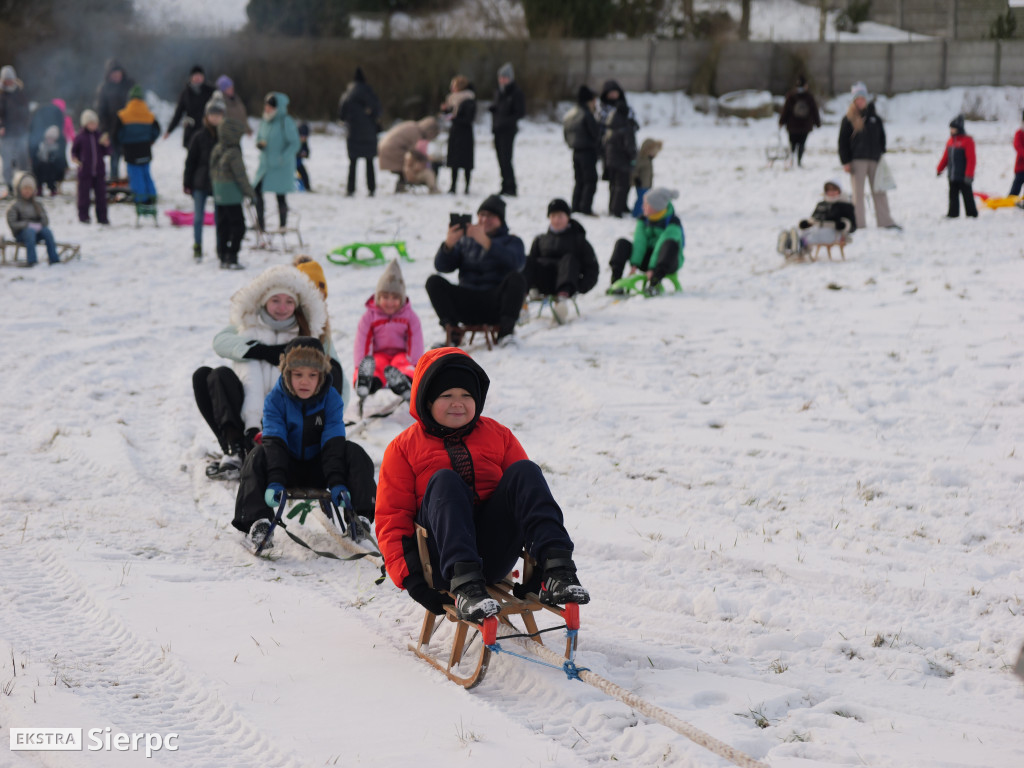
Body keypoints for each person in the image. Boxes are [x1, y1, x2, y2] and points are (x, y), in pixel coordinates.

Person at [375, 347, 590, 622]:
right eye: (446, 395)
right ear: (427, 401)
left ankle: (557, 569)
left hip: (494, 554)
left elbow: (529, 498)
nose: (458, 403)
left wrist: (536, 567)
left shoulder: (498, 436)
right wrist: (414, 583)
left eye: (467, 395)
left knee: (525, 471)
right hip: (442, 562)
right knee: (445, 481)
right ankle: (466, 584)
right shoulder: (403, 448)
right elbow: (392, 519)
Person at [193, 264, 344, 478]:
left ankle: (294, 451)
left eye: (289, 301)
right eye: (275, 300)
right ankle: (235, 447)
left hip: (288, 417)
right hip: (246, 408)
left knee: (329, 370)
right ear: (264, 300)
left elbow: (334, 370)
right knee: (210, 376)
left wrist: (335, 415)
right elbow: (220, 342)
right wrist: (261, 351)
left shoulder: (307, 331)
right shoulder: (248, 323)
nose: (282, 307)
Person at [234, 337, 377, 551]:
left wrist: (337, 481)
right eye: (298, 374)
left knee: (355, 452)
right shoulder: (275, 399)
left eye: (312, 375)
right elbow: (275, 441)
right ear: (287, 373)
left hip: (321, 467)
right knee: (257, 455)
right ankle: (258, 523)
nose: (304, 381)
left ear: (321, 375)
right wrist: (275, 479)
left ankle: (359, 518)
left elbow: (333, 441)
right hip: (286, 465)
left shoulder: (331, 399)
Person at [425, 195, 527, 347]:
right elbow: (442, 267)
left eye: (491, 216)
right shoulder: (465, 241)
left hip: (495, 302)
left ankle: (506, 333)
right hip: (467, 300)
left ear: (501, 220)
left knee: (516, 279)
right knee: (433, 281)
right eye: (482, 215)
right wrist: (448, 245)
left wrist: (487, 243)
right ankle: (453, 334)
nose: (485, 220)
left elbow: (517, 263)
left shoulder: (512, 241)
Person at [354, 258, 424, 402]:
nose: (390, 302)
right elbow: (362, 341)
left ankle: (404, 383)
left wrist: (414, 362)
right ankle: (367, 382)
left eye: (395, 298)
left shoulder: (410, 317)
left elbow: (416, 341)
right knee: (376, 365)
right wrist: (361, 362)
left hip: (402, 354)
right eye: (385, 297)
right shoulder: (369, 317)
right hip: (379, 354)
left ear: (402, 298)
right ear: (378, 297)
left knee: (403, 366)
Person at [524, 198, 599, 321]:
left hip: (566, 283)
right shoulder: (540, 240)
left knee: (569, 259)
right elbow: (530, 264)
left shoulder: (578, 240)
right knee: (527, 260)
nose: (556, 220)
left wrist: (580, 287)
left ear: (567, 217)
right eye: (553, 216)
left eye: (560, 216)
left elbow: (592, 268)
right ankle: (522, 303)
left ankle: (561, 303)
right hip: (543, 281)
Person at [838, 81, 899, 230]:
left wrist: (881, 152)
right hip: (857, 161)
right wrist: (846, 161)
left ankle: (885, 221)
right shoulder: (848, 119)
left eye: (862, 98)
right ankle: (858, 223)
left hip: (875, 159)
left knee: (879, 190)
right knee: (858, 194)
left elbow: (882, 137)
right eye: (857, 99)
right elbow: (842, 142)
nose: (860, 101)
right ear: (854, 100)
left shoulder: (875, 118)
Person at [608, 187, 684, 296]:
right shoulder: (643, 220)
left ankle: (654, 283)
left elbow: (660, 245)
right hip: (648, 259)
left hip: (668, 262)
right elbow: (640, 242)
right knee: (622, 243)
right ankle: (616, 280)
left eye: (646, 204)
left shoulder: (673, 222)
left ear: (656, 207)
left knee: (670, 244)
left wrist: (653, 269)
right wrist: (635, 264)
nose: (642, 207)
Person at [209, 114, 255, 269]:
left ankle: (222, 255)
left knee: (223, 225)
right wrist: (250, 193)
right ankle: (232, 256)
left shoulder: (217, 149)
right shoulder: (234, 153)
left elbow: (212, 170)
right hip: (231, 195)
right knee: (239, 226)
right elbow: (241, 176)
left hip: (219, 193)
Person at [184, 96, 225, 261]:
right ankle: (197, 246)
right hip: (200, 181)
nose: (215, 118)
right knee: (198, 218)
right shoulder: (198, 136)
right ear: (206, 116)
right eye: (212, 115)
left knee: (220, 218)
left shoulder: (225, 136)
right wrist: (187, 182)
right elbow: (190, 162)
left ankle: (220, 247)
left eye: (218, 115)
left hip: (219, 182)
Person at [253, 92, 300, 233]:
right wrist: (259, 144)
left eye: (271, 106)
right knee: (256, 190)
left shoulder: (286, 121)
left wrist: (282, 158)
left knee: (280, 196)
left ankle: (283, 226)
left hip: (281, 166)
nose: (267, 109)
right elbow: (259, 137)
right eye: (266, 105)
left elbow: (295, 143)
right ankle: (260, 224)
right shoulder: (265, 121)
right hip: (265, 165)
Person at [777, 177, 856, 259]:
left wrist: (843, 225)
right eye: (829, 190)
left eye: (834, 190)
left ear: (839, 191)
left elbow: (852, 226)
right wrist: (806, 223)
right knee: (804, 232)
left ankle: (797, 245)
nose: (831, 192)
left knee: (815, 235)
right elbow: (813, 218)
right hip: (817, 228)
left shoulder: (845, 205)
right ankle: (789, 242)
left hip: (834, 233)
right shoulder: (821, 204)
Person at [337, 67, 380, 197]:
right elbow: (378, 111)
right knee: (370, 163)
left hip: (353, 133)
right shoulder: (370, 93)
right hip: (369, 134)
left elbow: (341, 115)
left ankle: (350, 189)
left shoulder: (347, 95)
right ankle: (371, 189)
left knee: (353, 163)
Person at [115, 84, 160, 205]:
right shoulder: (149, 115)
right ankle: (152, 196)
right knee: (146, 174)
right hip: (145, 149)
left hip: (130, 150)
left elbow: (117, 133)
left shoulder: (123, 115)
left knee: (135, 176)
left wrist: (123, 141)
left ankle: (140, 199)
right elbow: (157, 130)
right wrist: (150, 140)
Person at [6, 172, 60, 266]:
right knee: (30, 232)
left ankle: (54, 258)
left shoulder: (37, 205)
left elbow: (45, 219)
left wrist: (40, 225)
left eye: (30, 189)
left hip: (37, 232)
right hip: (21, 234)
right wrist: (27, 225)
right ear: (19, 189)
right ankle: (32, 260)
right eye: (25, 189)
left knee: (47, 231)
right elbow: (12, 223)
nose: (27, 191)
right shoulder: (15, 206)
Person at [562, 85, 601, 216]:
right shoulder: (587, 114)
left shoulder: (571, 114)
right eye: (594, 100)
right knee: (590, 180)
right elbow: (595, 133)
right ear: (589, 100)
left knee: (579, 180)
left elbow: (565, 134)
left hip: (575, 151)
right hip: (588, 151)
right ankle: (585, 208)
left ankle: (576, 206)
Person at [94, 59, 135, 182]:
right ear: (109, 75)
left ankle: (132, 181)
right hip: (112, 129)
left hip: (128, 128)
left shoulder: (130, 85)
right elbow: (101, 111)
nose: (116, 75)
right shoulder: (104, 88)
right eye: (113, 73)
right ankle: (114, 181)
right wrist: (104, 130)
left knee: (130, 157)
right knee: (114, 157)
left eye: (118, 72)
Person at [489, 62, 525, 197]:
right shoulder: (499, 92)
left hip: (508, 132)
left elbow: (520, 112)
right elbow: (498, 108)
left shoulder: (516, 93)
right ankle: (504, 185)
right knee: (500, 160)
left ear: (510, 78)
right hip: (497, 131)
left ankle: (511, 187)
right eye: (500, 77)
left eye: (504, 77)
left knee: (506, 159)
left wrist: (506, 121)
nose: (502, 80)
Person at [377, 117, 439, 193]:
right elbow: (415, 151)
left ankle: (401, 185)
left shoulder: (413, 126)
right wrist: (426, 158)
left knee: (406, 165)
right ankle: (402, 185)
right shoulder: (416, 133)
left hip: (385, 146)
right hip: (391, 149)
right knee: (407, 164)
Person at [71, 109, 109, 225]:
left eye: (95, 123)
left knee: (101, 197)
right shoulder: (80, 137)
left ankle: (102, 217)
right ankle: (84, 217)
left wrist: (106, 145)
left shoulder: (99, 136)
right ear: (85, 124)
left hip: (99, 171)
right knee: (84, 196)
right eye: (90, 123)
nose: (93, 126)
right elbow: (74, 151)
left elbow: (107, 151)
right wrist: (75, 158)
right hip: (85, 172)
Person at [937, 114, 977, 219]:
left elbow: (971, 160)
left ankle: (972, 214)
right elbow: (946, 157)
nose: (951, 130)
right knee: (952, 196)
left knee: (967, 196)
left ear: (959, 128)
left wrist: (969, 175)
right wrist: (939, 169)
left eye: (953, 128)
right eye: (950, 128)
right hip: (952, 175)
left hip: (964, 176)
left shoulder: (967, 141)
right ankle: (953, 213)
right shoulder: (950, 141)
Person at [602, 97, 638, 218]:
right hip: (622, 161)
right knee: (622, 186)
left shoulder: (610, 125)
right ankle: (617, 210)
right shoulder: (625, 126)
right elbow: (630, 146)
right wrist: (633, 158)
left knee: (613, 185)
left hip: (610, 161)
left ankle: (613, 207)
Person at [164, 65, 215, 149]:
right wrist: (169, 130)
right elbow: (178, 113)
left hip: (207, 130)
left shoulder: (211, 91)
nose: (198, 78)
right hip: (191, 131)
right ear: (191, 77)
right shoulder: (185, 93)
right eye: (195, 75)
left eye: (200, 75)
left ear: (203, 77)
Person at [441, 75, 476, 195]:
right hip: (455, 133)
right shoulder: (452, 99)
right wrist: (445, 111)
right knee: (454, 161)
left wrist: (453, 118)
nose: (451, 88)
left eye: (454, 85)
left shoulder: (469, 100)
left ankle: (467, 187)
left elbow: (468, 119)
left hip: (465, 134)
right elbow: (451, 113)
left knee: (466, 162)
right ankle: (453, 186)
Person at [0, 65, 31, 196]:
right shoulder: (1, 95)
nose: (9, 81)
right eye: (6, 79)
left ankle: (23, 186)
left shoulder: (20, 93)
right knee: (7, 162)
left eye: (10, 79)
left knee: (22, 160)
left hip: (21, 132)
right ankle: (10, 186)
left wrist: (26, 125)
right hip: (6, 134)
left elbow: (26, 112)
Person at [778, 75, 821, 168]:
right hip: (805, 126)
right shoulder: (809, 97)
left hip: (792, 126)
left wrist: (781, 122)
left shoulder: (791, 96)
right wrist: (818, 123)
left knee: (792, 143)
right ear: (805, 85)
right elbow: (814, 110)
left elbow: (785, 110)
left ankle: (792, 159)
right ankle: (798, 161)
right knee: (802, 144)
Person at [631, 138, 662, 218]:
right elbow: (635, 169)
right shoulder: (641, 158)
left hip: (647, 183)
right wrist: (636, 178)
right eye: (653, 152)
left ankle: (640, 212)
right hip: (641, 183)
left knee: (644, 199)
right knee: (641, 199)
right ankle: (637, 213)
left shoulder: (648, 159)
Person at [1010, 110, 1024, 197]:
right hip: (1021, 167)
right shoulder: (1019, 133)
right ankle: (1010, 200)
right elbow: (1017, 146)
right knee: (1015, 190)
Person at [296, 122, 311, 191]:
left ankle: (307, 188)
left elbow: (307, 152)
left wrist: (306, 154)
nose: (304, 138)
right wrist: (299, 153)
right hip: (288, 163)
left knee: (304, 175)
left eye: (305, 137)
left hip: (298, 163)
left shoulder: (304, 143)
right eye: (302, 136)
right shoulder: (293, 140)